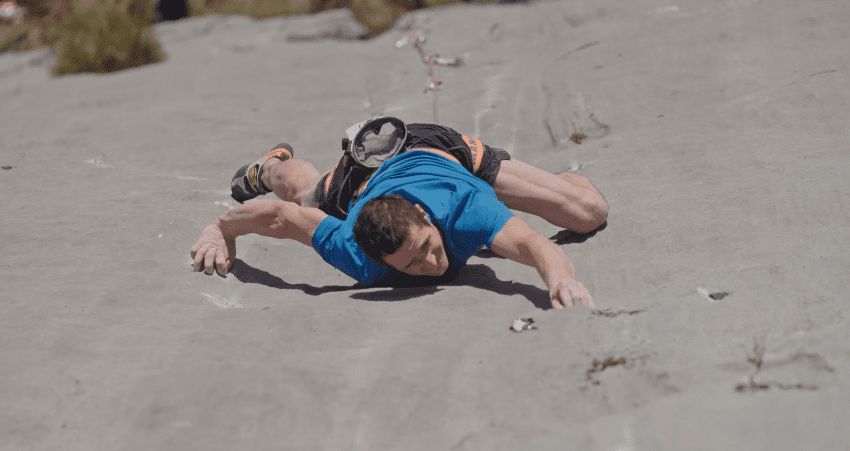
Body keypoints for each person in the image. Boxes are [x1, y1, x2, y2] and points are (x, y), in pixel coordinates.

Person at [191, 122, 608, 309]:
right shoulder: (355, 251)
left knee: (588, 213)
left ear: (426, 218)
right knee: (306, 193)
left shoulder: (466, 211)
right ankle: (270, 165)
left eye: (426, 247)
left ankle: (545, 185)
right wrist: (220, 228)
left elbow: (536, 247)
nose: (433, 264)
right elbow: (281, 217)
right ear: (380, 261)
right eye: (410, 265)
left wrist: (562, 281)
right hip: (362, 178)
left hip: (439, 154)